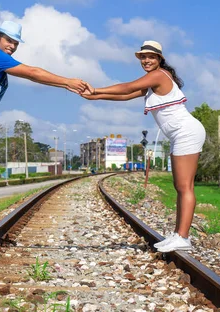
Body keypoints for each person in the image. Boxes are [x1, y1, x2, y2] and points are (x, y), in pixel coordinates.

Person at [0, 20, 91, 246]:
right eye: (9, 40)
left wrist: (64, 85)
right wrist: (67, 81)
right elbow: (32, 72)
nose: (12, 46)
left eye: (16, 43)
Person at [81, 40, 205, 252]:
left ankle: (183, 237)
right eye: (143, 57)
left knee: (185, 187)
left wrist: (96, 89)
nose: (146, 60)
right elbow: (127, 95)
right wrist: (96, 96)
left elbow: (128, 86)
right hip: (179, 134)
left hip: (186, 132)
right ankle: (178, 235)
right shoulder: (153, 83)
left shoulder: (158, 75)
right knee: (180, 186)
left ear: (160, 59)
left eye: (151, 57)